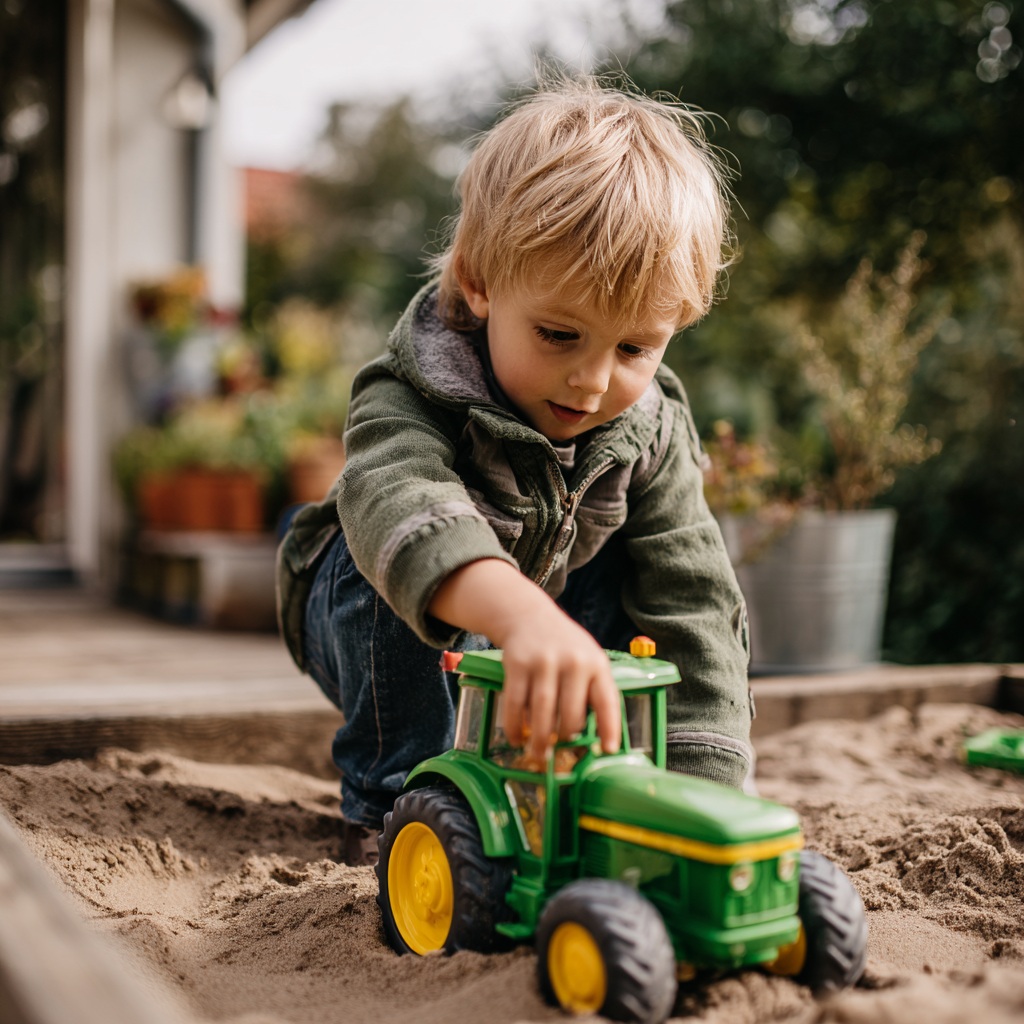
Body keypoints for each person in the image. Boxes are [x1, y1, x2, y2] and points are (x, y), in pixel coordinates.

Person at [276, 74, 752, 867]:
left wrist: (709, 794)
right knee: (393, 551)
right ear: (479, 283)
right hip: (368, 612)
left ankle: (609, 775)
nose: (594, 381)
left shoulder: (649, 428)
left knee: (655, 578)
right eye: (560, 335)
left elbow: (693, 603)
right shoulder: (414, 389)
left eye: (634, 348)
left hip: (543, 614)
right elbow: (395, 498)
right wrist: (519, 615)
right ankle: (394, 803)